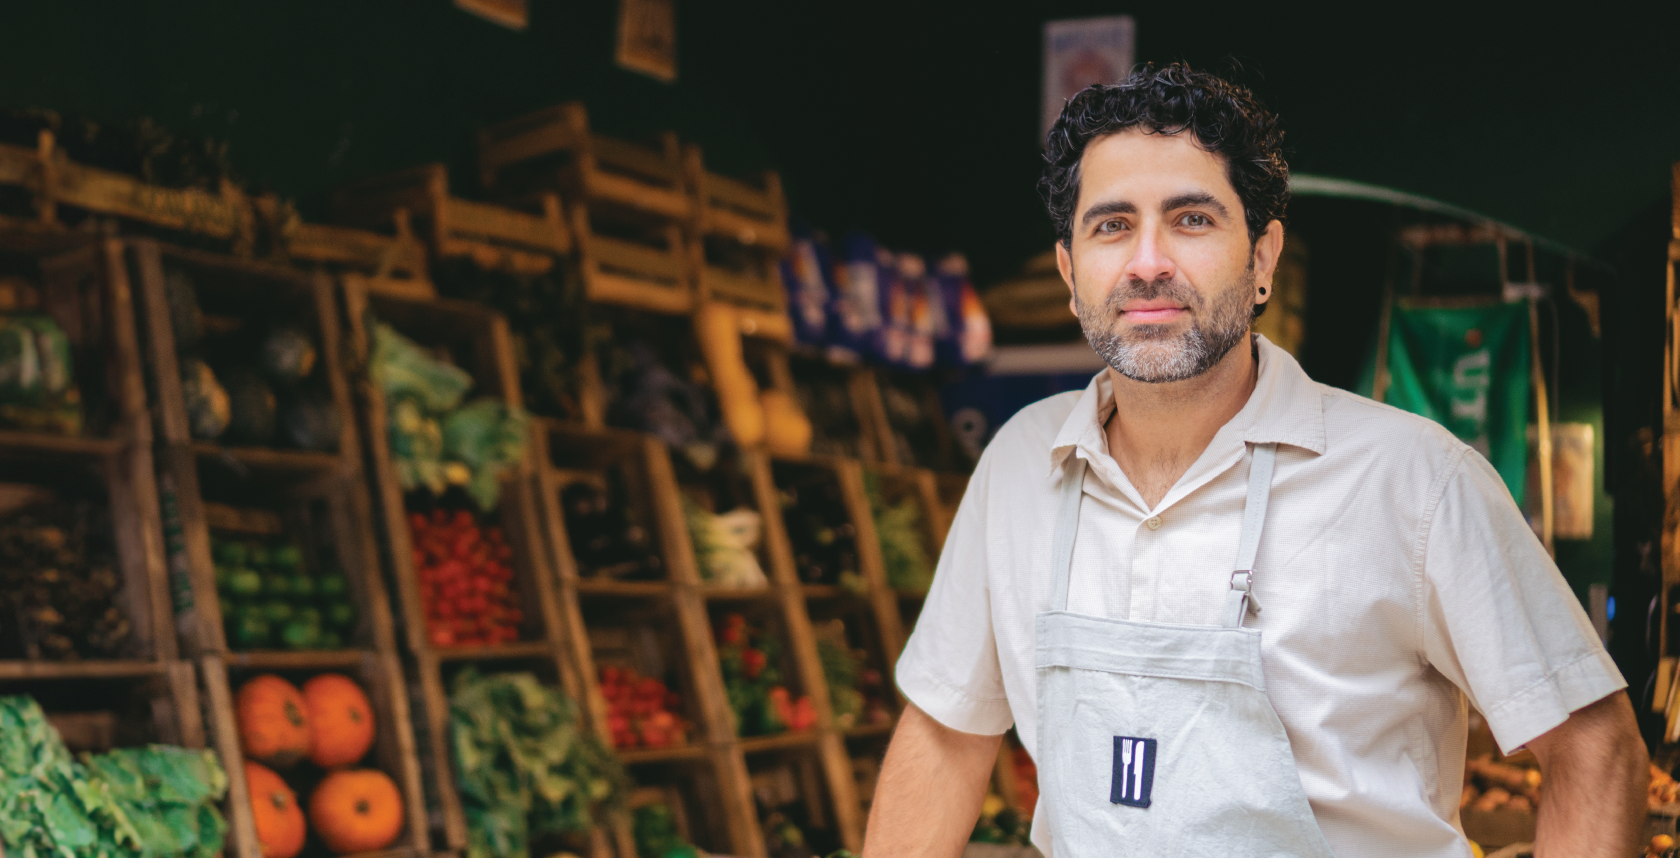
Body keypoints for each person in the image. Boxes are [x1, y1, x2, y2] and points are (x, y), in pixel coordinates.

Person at [862, 63, 1647, 857]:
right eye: (1110, 226)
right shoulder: (1019, 466)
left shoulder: (1414, 480)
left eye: (1192, 219)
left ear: (1263, 258)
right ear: (1071, 275)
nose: (1147, 262)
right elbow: (944, 736)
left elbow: (1595, 747)